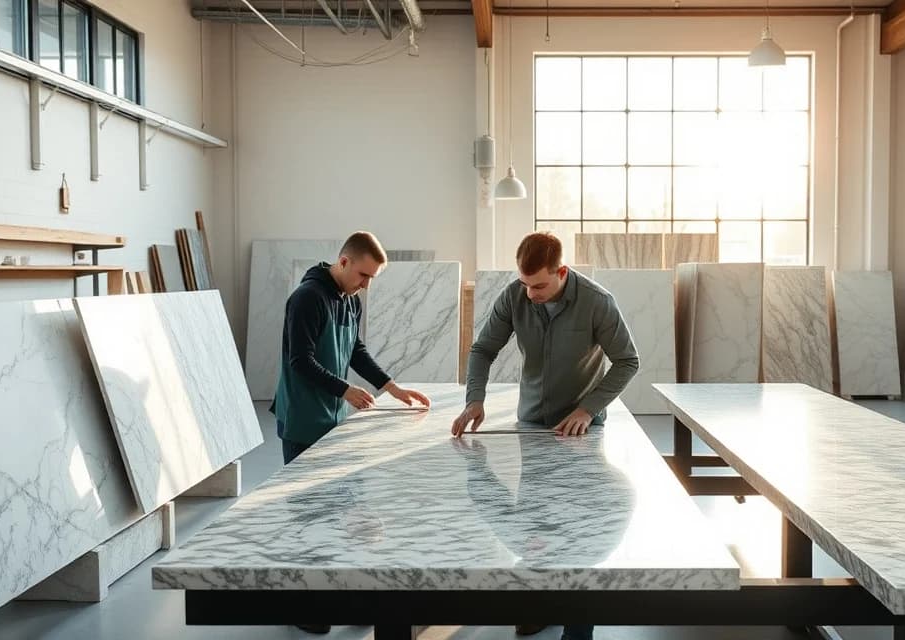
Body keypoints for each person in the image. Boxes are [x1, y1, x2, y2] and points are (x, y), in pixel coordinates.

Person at [452, 231, 639, 640]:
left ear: (562, 272)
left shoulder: (597, 302)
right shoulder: (515, 296)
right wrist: (474, 399)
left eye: (539, 285)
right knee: (536, 522)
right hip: (532, 426)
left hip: (581, 430)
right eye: (524, 283)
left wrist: (587, 410)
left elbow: (628, 361)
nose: (530, 293)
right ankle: (540, 603)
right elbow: (482, 349)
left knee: (576, 530)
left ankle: (577, 627)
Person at [271, 230, 431, 467]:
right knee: (304, 499)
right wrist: (346, 390)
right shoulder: (307, 298)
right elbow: (301, 361)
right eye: (363, 275)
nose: (366, 285)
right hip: (301, 419)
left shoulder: (351, 301)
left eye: (372, 278)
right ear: (344, 262)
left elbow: (355, 351)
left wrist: (392, 388)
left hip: (332, 415)